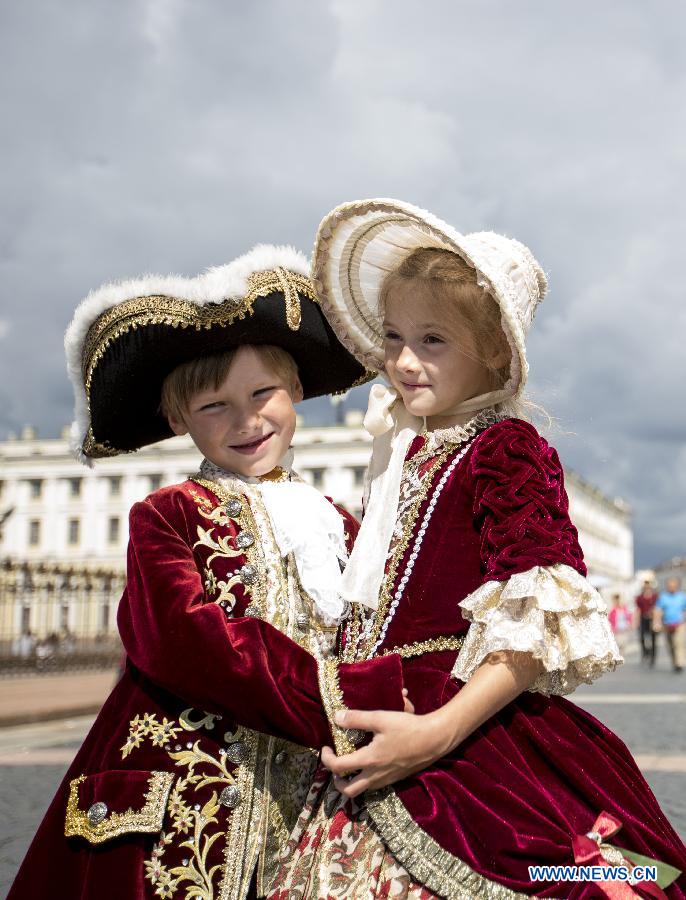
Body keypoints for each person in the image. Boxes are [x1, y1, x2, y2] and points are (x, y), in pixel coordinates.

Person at [269, 200, 686, 899]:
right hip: (382, 734)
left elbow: (534, 625)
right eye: (395, 337)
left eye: (433, 340)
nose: (403, 361)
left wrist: (437, 733)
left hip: (466, 739)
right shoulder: (404, 450)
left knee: (580, 871)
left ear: (494, 351)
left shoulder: (505, 450)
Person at [8, 246, 408, 900]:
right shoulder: (167, 514)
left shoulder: (339, 520)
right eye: (214, 407)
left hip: (321, 786)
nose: (246, 420)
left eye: (261, 393)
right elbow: (182, 640)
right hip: (194, 791)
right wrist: (348, 700)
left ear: (297, 391)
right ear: (177, 420)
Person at [655, 578, 686, 673]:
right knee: (670, 645)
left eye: (673, 586)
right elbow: (658, 610)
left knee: (679, 644)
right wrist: (657, 622)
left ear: (677, 586)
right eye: (670, 586)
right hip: (667, 625)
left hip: (679, 624)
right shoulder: (663, 597)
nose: (672, 587)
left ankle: (680, 663)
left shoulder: (682, 597)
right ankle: (675, 662)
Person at [636, 579, 659, 665]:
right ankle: (645, 652)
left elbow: (658, 607)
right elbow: (638, 609)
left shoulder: (655, 597)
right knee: (642, 637)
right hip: (643, 618)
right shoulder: (640, 598)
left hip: (653, 619)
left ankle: (653, 657)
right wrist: (636, 621)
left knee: (653, 639)